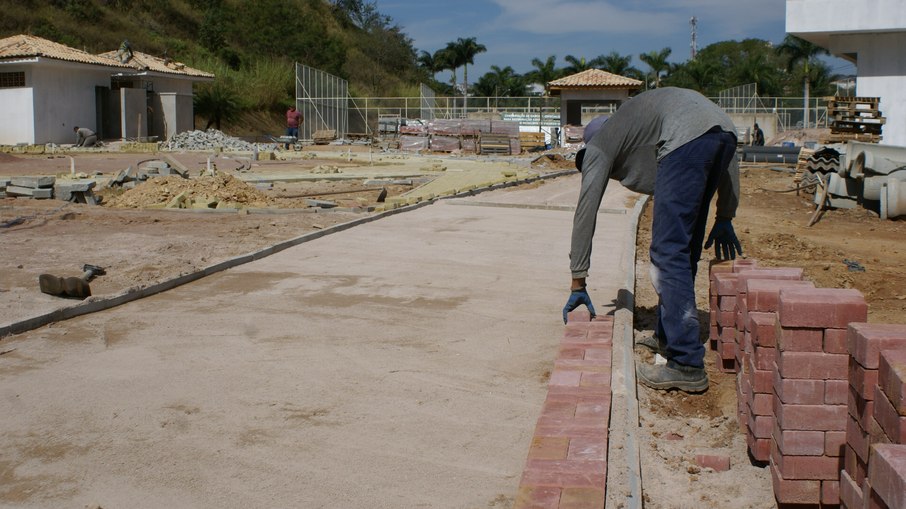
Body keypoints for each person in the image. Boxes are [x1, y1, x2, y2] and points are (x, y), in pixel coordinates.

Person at [562, 87, 742, 393]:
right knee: (683, 250)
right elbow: (724, 150)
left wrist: (578, 280)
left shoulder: (600, 145)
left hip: (687, 140)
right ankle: (667, 335)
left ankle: (686, 363)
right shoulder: (640, 126)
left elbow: (585, 211)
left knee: (667, 253)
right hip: (723, 130)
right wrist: (725, 214)